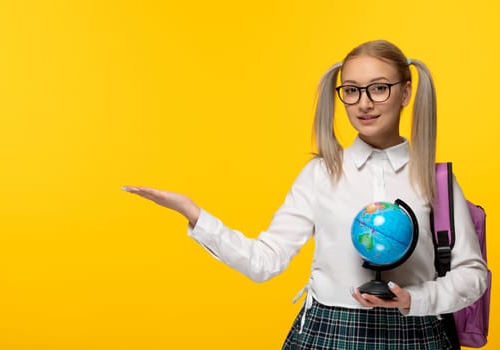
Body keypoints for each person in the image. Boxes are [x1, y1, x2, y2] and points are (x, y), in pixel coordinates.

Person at [123, 40, 488, 349]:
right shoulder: (320, 174)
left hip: (416, 333)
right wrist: (195, 216)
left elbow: (473, 275)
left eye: (379, 88)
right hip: (329, 332)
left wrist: (416, 299)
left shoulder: (435, 179)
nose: (364, 103)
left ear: (406, 91)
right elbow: (264, 262)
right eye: (351, 90)